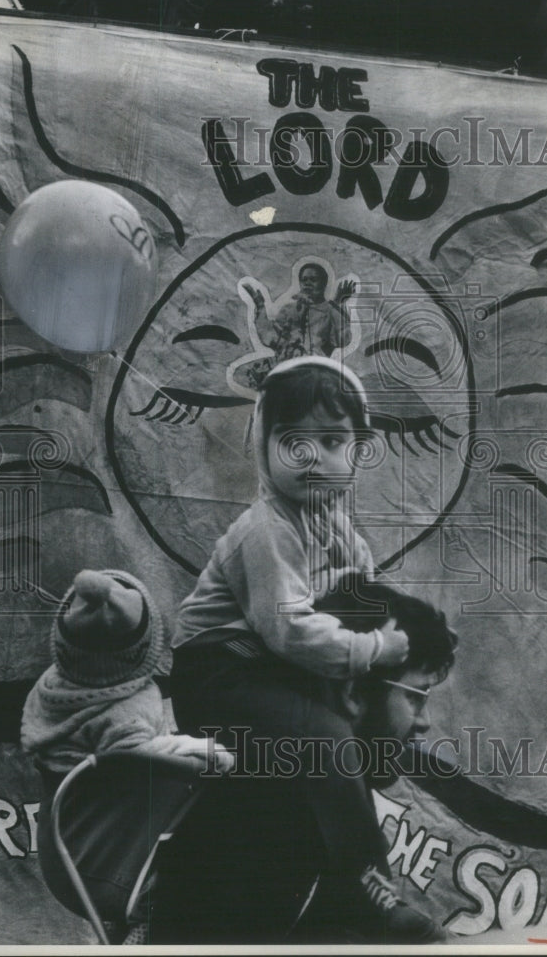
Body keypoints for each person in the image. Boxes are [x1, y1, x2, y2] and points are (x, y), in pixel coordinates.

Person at [168, 356, 440, 942]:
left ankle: (322, 871)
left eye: (333, 440)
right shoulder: (266, 529)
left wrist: (383, 636)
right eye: (293, 442)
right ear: (262, 447)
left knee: (339, 732)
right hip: (220, 672)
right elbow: (288, 629)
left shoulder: (343, 536)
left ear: (358, 450)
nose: (314, 457)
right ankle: (366, 883)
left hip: (273, 673)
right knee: (324, 739)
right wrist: (373, 650)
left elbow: (357, 602)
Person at [153, 572, 457, 944]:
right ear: (352, 691)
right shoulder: (273, 817)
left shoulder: (290, 792)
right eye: (416, 696)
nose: (424, 723)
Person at [21, 569, 233, 929]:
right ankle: (148, 932)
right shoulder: (126, 716)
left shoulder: (51, 689)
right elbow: (150, 755)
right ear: (144, 645)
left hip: (63, 854)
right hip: (112, 868)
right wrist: (213, 752)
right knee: (221, 810)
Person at [243, 263, 355, 365]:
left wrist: (337, 303)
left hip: (315, 372)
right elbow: (271, 339)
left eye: (313, 279)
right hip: (286, 371)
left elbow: (343, 340)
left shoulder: (331, 310)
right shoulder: (289, 309)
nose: (308, 283)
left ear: (323, 284)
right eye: (304, 280)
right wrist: (260, 306)